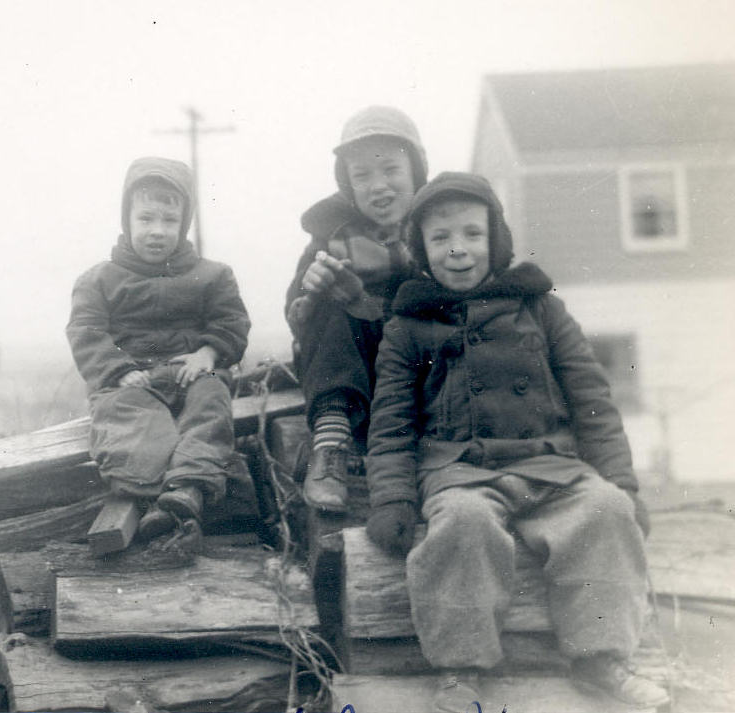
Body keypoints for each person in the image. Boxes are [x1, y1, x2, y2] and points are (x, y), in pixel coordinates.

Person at [363, 172, 667, 712]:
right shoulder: (408, 325)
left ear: (495, 241)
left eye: (472, 235)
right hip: (460, 469)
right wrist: (391, 498)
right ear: (422, 250)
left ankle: (601, 659)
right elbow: (390, 424)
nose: (459, 251)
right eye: (441, 239)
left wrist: (621, 480)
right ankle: (461, 670)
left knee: (605, 510)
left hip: (551, 465)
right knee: (462, 524)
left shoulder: (541, 307)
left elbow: (592, 401)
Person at [66, 156, 250, 545]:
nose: (157, 232)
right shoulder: (98, 279)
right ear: (127, 219)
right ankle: (159, 495)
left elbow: (231, 323)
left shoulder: (213, 275)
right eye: (146, 219)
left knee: (210, 399)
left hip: (189, 371)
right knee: (125, 415)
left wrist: (208, 354)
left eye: (169, 222)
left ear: (184, 224)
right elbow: (86, 331)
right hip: (132, 379)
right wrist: (116, 370)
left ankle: (187, 487)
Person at [285, 106, 427, 511]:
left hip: (418, 371)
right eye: (362, 175)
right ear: (347, 184)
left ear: (416, 171)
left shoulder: (435, 228)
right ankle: (330, 444)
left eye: (391, 171)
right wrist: (310, 289)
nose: (378, 186)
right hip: (354, 372)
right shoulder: (331, 238)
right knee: (329, 301)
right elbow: (296, 318)